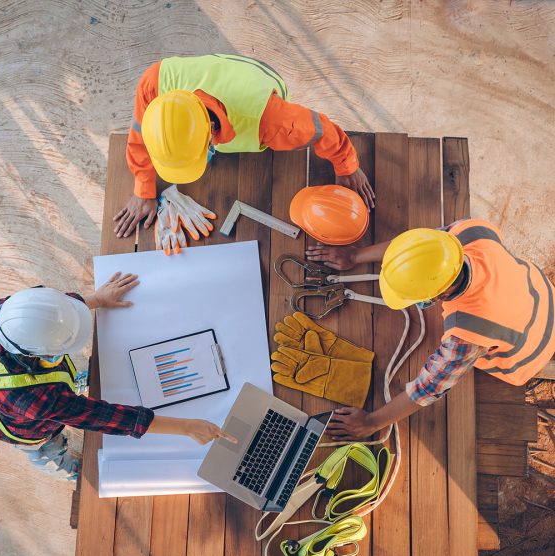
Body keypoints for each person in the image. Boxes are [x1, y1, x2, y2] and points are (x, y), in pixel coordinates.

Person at [304, 219, 555, 441]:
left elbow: (429, 387)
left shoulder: (466, 334)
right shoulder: (469, 232)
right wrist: (356, 256)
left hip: (530, 351)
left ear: (441, 294)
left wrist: (371, 423)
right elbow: (416, 249)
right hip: (543, 296)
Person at [0, 272, 236, 480]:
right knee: (50, 455)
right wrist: (187, 427)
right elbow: (106, 418)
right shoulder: (38, 401)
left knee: (64, 390)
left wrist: (96, 300)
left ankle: (73, 388)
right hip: (27, 431)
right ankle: (70, 472)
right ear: (38, 354)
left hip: (15, 395)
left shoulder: (2, 312)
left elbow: (51, 311)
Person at [113, 53, 375, 239]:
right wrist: (143, 189)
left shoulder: (273, 123)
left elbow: (322, 129)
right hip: (218, 79)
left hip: (257, 82)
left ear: (211, 136)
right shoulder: (155, 84)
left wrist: (346, 166)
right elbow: (138, 139)